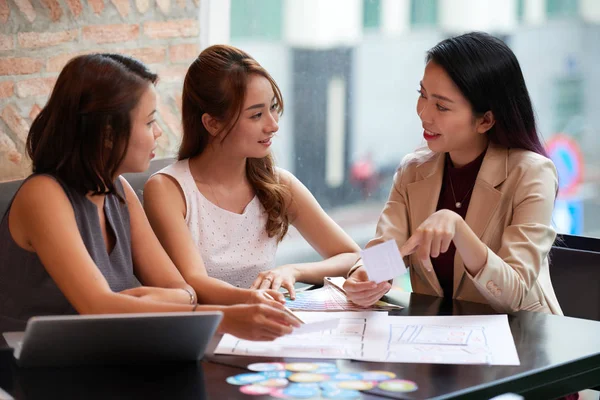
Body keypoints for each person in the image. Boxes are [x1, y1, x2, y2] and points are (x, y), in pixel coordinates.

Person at [0, 53, 300, 341]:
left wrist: (169, 297)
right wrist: (225, 317)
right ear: (107, 133)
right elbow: (99, 308)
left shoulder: (118, 191)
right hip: (26, 369)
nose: (158, 133)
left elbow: (184, 290)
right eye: (149, 122)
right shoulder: (43, 195)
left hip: (100, 356)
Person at [344, 32, 563, 315]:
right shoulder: (413, 170)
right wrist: (365, 276)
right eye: (422, 95)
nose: (424, 113)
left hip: (523, 340)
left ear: (485, 120)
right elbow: (387, 250)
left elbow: (515, 295)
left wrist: (458, 228)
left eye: (442, 106)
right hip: (440, 339)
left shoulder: (533, 174)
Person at [143, 45, 360, 305]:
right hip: (206, 334)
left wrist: (293, 270)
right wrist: (259, 300)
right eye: (256, 115)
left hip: (265, 326)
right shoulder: (168, 190)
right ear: (212, 123)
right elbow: (194, 281)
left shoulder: (278, 184)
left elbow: (351, 255)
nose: (273, 124)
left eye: (273, 108)